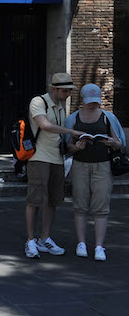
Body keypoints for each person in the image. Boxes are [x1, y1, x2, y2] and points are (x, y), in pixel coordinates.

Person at [24, 72, 84, 259]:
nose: (68, 95)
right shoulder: (38, 102)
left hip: (57, 159)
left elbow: (57, 138)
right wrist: (71, 130)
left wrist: (74, 147)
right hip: (38, 158)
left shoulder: (59, 108)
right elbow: (44, 125)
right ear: (54, 89)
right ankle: (30, 241)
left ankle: (45, 238)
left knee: (52, 201)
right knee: (34, 200)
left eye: (69, 91)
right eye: (65, 91)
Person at [64, 83, 125, 261]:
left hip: (103, 165)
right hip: (80, 165)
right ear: (82, 100)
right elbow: (66, 144)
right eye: (89, 101)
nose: (92, 105)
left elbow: (120, 143)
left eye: (95, 102)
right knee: (80, 205)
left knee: (101, 206)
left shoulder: (107, 117)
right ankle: (81, 243)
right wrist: (76, 147)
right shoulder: (73, 118)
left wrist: (112, 143)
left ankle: (99, 246)